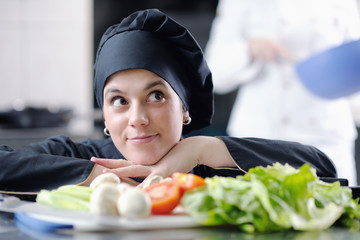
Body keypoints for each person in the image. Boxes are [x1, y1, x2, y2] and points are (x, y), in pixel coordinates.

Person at [0, 9, 337, 201]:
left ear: (185, 108)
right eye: (118, 101)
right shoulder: (81, 155)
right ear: (104, 114)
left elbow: (322, 168)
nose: (138, 119)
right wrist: (98, 176)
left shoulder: (211, 166)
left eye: (156, 95)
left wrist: (201, 150)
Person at [205, 0, 360, 186]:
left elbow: (353, 64)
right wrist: (250, 50)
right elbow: (214, 73)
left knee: (336, 209)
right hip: (260, 140)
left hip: (327, 138)